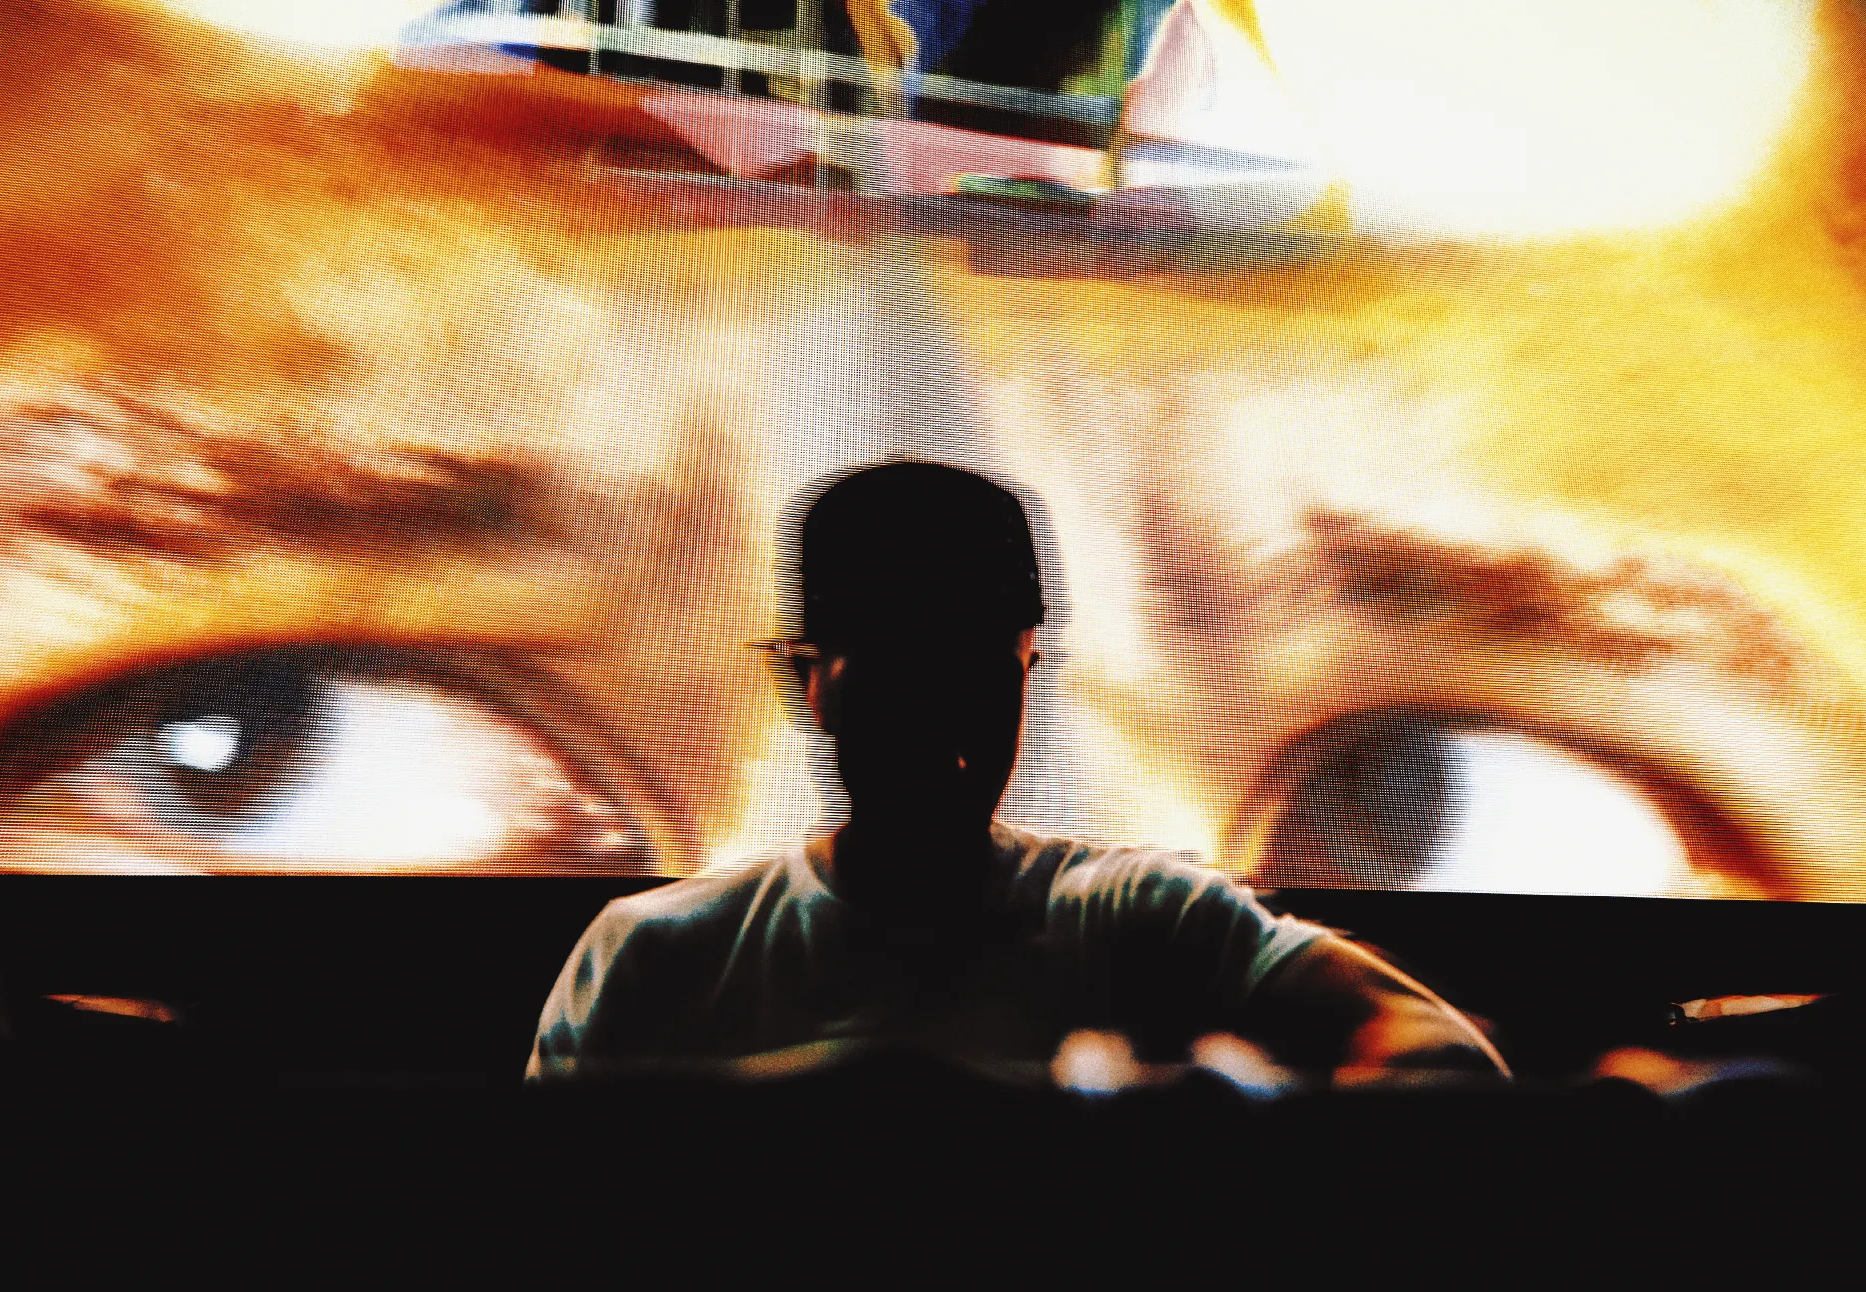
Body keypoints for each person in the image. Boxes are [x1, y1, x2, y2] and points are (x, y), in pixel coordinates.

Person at [527, 462, 1509, 1089]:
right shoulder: (651, 955)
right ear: (810, 687)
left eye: (976, 677)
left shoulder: (1145, 915)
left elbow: (1435, 1050)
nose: (943, 723)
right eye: (902, 675)